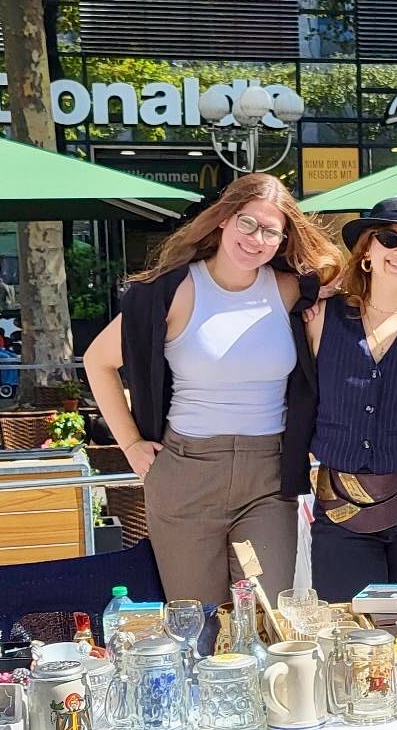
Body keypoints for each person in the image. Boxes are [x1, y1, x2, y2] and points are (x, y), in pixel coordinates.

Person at [83, 173, 341, 605]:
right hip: (187, 472)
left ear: (283, 240)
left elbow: (341, 277)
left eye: (271, 232)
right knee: (198, 620)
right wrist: (130, 444)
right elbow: (98, 361)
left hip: (268, 476)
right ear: (223, 219)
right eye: (247, 223)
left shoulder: (291, 291)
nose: (256, 239)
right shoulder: (172, 292)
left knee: (269, 614)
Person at [305, 197, 397, 602]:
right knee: (348, 627)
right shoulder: (320, 318)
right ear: (367, 252)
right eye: (389, 239)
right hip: (340, 506)